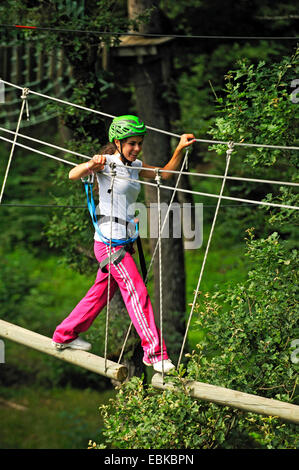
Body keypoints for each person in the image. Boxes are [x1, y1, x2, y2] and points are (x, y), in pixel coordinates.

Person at [52, 115, 195, 373]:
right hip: (109, 244)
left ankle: (64, 335)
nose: (136, 148)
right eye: (131, 143)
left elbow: (164, 174)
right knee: (136, 292)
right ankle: (155, 352)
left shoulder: (135, 165)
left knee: (100, 294)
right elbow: (73, 174)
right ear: (117, 142)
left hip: (123, 243)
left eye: (139, 143)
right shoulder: (107, 163)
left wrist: (179, 149)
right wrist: (91, 164)